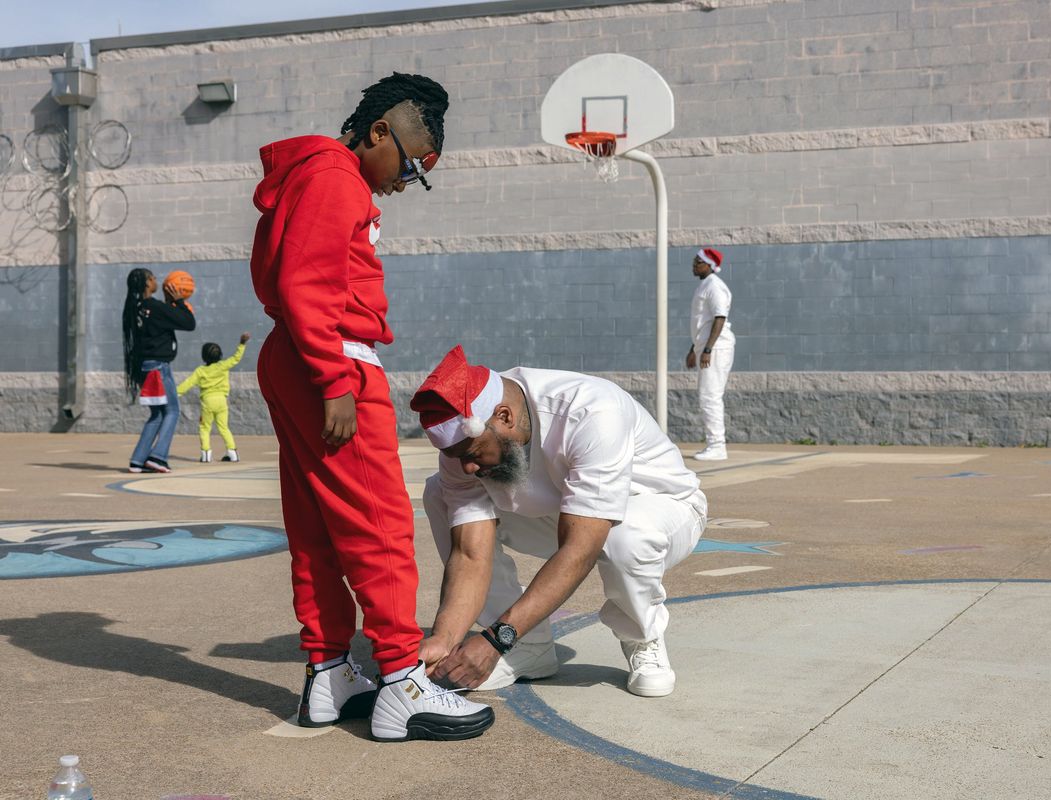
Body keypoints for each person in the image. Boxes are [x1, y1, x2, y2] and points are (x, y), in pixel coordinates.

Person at [250, 72, 493, 743]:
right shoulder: (334, 175)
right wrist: (334, 377)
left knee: (319, 527)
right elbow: (307, 281)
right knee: (379, 522)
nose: (407, 179)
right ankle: (399, 683)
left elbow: (298, 280)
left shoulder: (316, 173)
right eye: (410, 163)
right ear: (379, 130)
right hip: (330, 355)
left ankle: (330, 674)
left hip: (299, 352)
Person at [411, 345, 708, 698]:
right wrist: (445, 637)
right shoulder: (467, 444)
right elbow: (470, 554)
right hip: (565, 512)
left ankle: (641, 637)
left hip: (662, 508)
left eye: (473, 455)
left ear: (504, 416)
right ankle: (530, 648)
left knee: (625, 536)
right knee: (439, 493)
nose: (468, 468)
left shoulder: (592, 411)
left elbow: (580, 549)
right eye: (457, 458)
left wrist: (495, 639)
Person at [122, 267, 196, 474]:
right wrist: (178, 301)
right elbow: (189, 323)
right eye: (153, 278)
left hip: (144, 367)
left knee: (157, 414)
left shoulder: (134, 308)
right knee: (172, 411)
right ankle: (158, 457)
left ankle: (138, 460)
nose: (157, 280)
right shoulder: (154, 307)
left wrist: (168, 304)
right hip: (158, 367)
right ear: (147, 284)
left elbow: (160, 321)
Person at [686, 248, 736, 461]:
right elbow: (702, 322)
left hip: (716, 349)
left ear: (708, 265)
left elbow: (719, 317)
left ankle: (717, 446)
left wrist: (707, 349)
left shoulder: (715, 286)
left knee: (710, 397)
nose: (694, 265)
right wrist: (693, 349)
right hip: (706, 347)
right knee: (708, 396)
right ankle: (714, 444)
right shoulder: (705, 285)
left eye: (698, 262)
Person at [177, 333, 251, 463]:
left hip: (207, 401)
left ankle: (206, 454)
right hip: (222, 401)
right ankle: (233, 453)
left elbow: (188, 383)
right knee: (224, 427)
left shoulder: (201, 371)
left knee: (205, 428)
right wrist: (242, 344)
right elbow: (236, 358)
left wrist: (175, 393)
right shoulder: (223, 366)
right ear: (220, 355)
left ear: (204, 356)